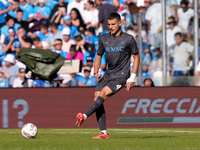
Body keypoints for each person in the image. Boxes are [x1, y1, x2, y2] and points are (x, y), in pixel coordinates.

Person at [75, 13, 140, 139]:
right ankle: (103, 133)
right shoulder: (103, 38)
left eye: (113, 24)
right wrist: (96, 70)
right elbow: (98, 55)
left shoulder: (129, 39)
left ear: (120, 23)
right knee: (96, 98)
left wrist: (132, 77)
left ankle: (84, 116)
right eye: (109, 24)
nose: (110, 27)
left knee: (102, 94)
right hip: (108, 74)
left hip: (121, 75)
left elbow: (136, 57)